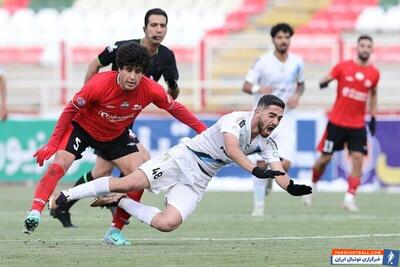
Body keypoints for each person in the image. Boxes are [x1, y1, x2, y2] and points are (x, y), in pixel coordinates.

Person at [54, 95, 312, 237]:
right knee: (130, 181)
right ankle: (67, 195)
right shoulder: (236, 121)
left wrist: (290, 188)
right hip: (183, 159)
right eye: (272, 115)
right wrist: (256, 171)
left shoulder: (268, 142)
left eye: (279, 118)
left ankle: (118, 201)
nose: (276, 121)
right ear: (258, 111)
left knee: (168, 224)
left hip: (199, 179)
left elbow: (278, 171)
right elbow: (232, 150)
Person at [24, 42, 207, 236]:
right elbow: (70, 110)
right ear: (119, 68)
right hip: (83, 129)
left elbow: (176, 108)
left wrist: (203, 130)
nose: (132, 77)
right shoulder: (98, 84)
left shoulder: (150, 89)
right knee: (59, 164)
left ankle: (115, 232)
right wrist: (53, 143)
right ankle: (35, 212)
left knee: (139, 178)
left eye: (138, 71)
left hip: (116, 134)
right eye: (128, 70)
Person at [50, 8, 179, 231]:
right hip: (105, 121)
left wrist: (173, 87)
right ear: (145, 28)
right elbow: (94, 64)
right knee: (139, 168)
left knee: (103, 172)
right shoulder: (123, 47)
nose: (158, 30)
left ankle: (66, 204)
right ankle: (114, 208)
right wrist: (87, 99)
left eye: (162, 25)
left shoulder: (167, 56)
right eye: (154, 25)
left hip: (125, 121)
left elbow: (171, 94)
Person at [303, 34, 379, 211]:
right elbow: (327, 77)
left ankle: (349, 198)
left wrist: (373, 117)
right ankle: (313, 186)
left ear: (372, 50)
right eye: (363, 46)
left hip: (357, 125)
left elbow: (373, 94)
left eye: (369, 46)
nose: (365, 49)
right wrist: (324, 82)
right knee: (324, 159)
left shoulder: (374, 73)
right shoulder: (343, 66)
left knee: (358, 160)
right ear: (357, 48)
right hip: (337, 123)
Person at [242, 23, 305, 216]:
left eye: (286, 37)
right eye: (279, 37)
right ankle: (259, 205)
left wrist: (297, 95)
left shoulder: (297, 62)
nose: (283, 40)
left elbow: (301, 85)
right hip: (262, 120)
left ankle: (270, 179)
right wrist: (258, 89)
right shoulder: (263, 62)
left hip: (286, 119)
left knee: (284, 164)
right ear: (273, 40)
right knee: (260, 164)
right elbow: (246, 85)